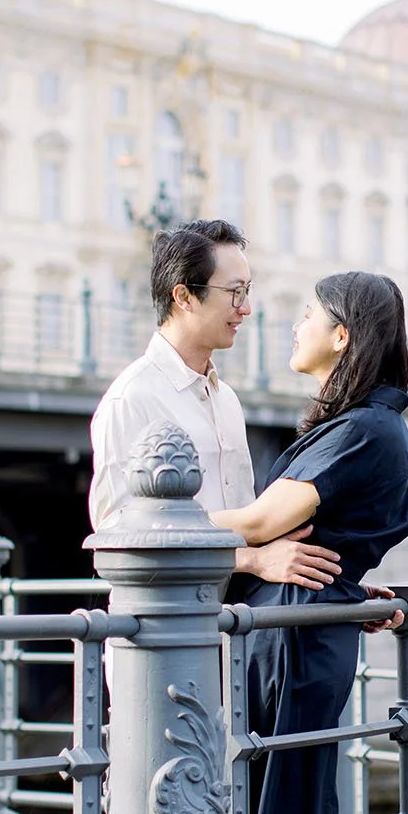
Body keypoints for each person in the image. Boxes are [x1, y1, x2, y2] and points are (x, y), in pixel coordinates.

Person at [209, 270, 408, 814]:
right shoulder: (367, 426)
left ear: (342, 336)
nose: (289, 325)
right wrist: (342, 585)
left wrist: (148, 516)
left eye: (306, 315)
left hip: (293, 640)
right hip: (300, 629)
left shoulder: (364, 427)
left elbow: (265, 521)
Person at [88, 219, 342, 590]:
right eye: (235, 292)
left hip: (230, 627)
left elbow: (248, 523)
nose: (246, 309)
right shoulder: (132, 398)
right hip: (165, 631)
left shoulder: (226, 399)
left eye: (247, 291)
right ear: (184, 297)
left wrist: (340, 592)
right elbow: (118, 530)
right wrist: (250, 560)